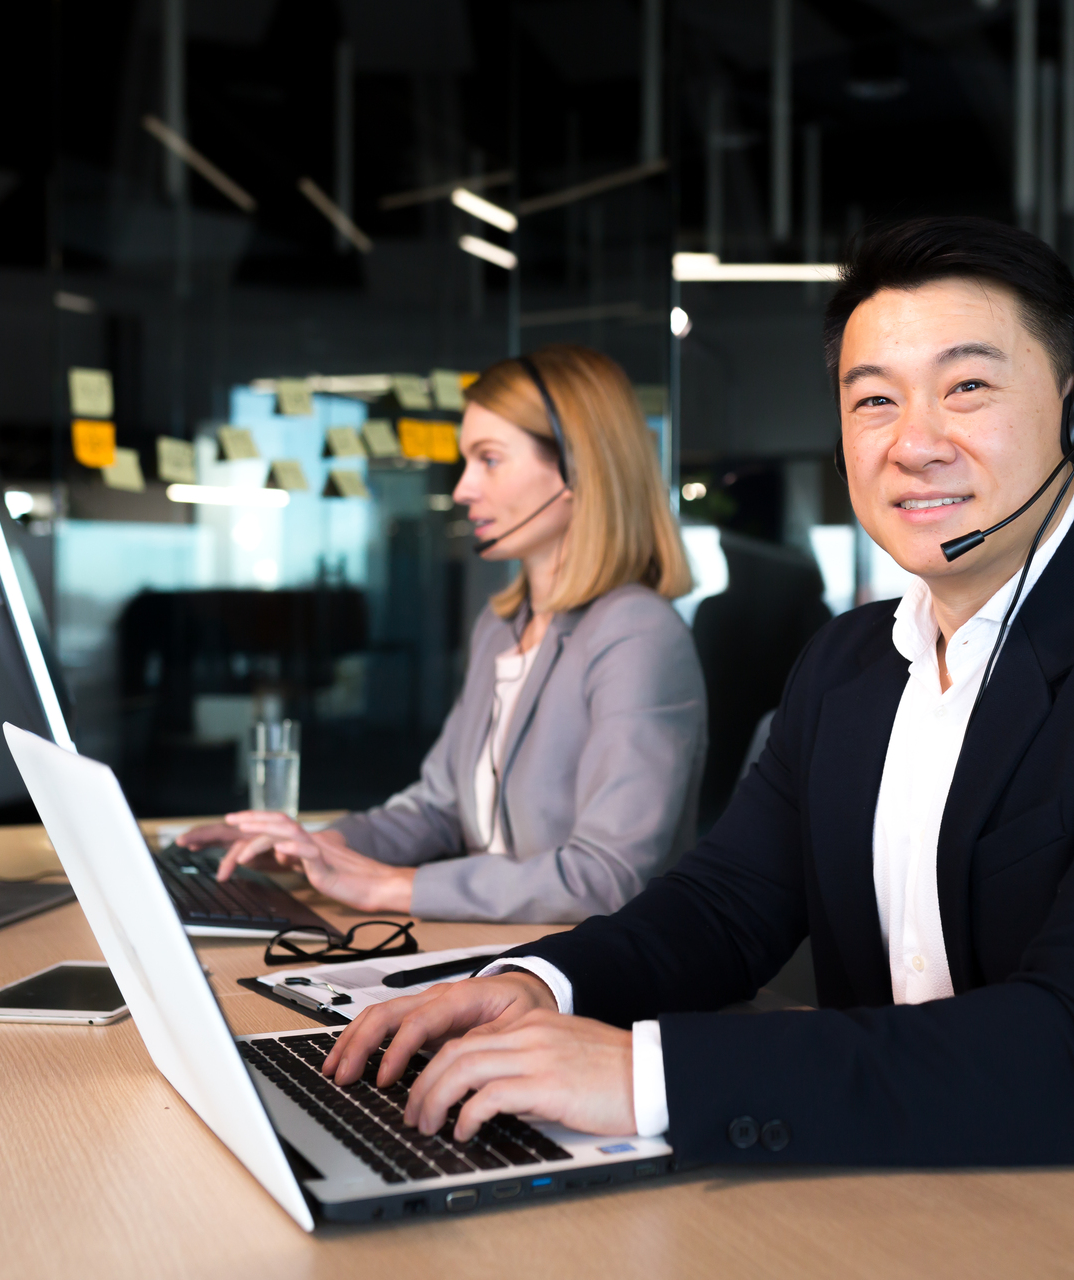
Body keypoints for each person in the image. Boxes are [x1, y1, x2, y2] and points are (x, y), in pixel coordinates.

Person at [317, 218, 1074, 1218]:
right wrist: (544, 981)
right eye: (872, 401)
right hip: (912, 1187)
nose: (914, 444)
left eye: (968, 387)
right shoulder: (848, 665)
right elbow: (726, 904)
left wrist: (645, 1074)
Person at [179, 345, 705, 924]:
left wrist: (393, 888)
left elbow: (606, 878)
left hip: (589, 975)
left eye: (490, 459)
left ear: (580, 468)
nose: (462, 489)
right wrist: (313, 849)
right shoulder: (502, 626)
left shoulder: (637, 634)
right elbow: (437, 808)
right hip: (496, 947)